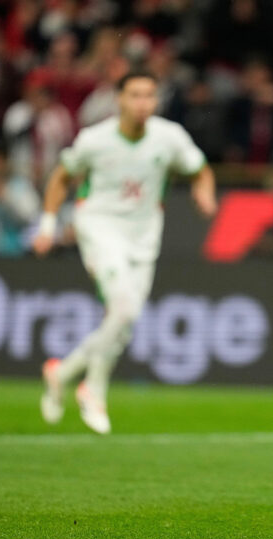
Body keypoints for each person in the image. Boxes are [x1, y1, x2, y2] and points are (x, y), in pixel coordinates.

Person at [33, 69, 217, 434]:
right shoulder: (95, 140)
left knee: (125, 323)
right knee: (124, 308)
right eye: (135, 95)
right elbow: (61, 178)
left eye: (149, 95)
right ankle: (93, 389)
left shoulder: (170, 137)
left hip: (144, 238)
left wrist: (205, 192)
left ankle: (63, 372)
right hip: (99, 227)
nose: (142, 103)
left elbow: (201, 170)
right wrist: (48, 227)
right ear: (119, 100)